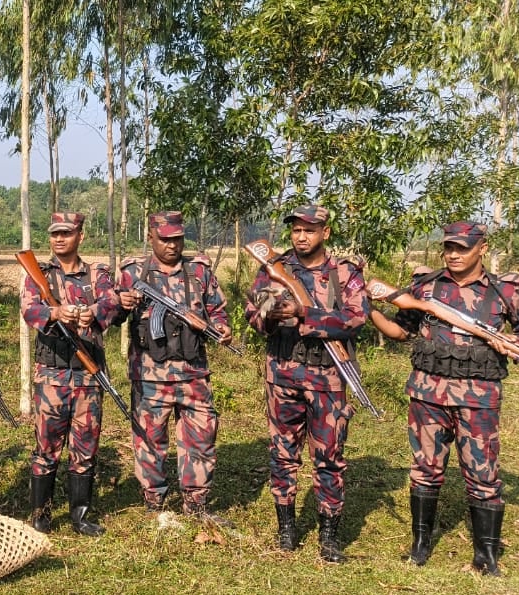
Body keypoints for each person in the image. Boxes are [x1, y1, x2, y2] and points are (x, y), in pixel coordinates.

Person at [368, 222, 519, 575]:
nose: (454, 254)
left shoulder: (503, 291)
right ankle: (420, 546)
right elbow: (401, 330)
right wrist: (367, 309)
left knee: (483, 474)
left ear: (482, 248)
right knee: (425, 470)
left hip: (478, 398)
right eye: (449, 247)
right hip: (428, 395)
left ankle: (486, 555)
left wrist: (515, 344)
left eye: (462, 248)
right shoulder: (426, 286)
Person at [244, 204, 369, 563]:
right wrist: (268, 316)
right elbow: (254, 314)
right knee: (283, 455)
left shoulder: (344, 273)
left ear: (325, 233)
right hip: (282, 374)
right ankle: (286, 529)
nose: (301, 236)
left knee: (329, 457)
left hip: (329, 378)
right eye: (296, 230)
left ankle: (329, 535)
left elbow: (357, 319)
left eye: (309, 230)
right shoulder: (275, 268)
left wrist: (305, 314)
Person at [118, 211, 234, 526]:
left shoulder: (199, 271)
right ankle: (154, 503)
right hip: (150, 374)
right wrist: (121, 302)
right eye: (165, 239)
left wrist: (221, 328)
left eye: (177, 239)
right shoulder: (132, 272)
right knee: (149, 440)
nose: (172, 245)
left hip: (194, 372)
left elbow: (218, 309)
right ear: (151, 238)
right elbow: (111, 314)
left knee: (200, 438)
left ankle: (196, 505)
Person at [20, 212, 117, 535]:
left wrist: (93, 313)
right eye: (55, 234)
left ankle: (81, 515)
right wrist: (55, 312)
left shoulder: (97, 274)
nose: (59, 239)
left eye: (67, 233)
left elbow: (112, 303)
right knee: (46, 447)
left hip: (88, 375)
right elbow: (29, 310)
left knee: (85, 446)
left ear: (80, 236)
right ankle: (41, 514)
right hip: (52, 375)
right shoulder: (39, 274)